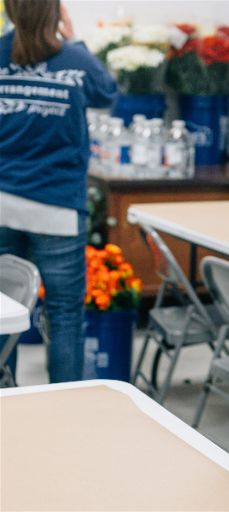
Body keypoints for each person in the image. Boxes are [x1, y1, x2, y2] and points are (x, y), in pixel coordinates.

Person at [0, 0, 118, 382]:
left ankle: (7, 400)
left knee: (4, 309)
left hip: (3, 202)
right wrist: (76, 39)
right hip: (58, 209)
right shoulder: (75, 59)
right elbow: (107, 91)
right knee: (65, 316)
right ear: (56, 13)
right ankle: (66, 406)